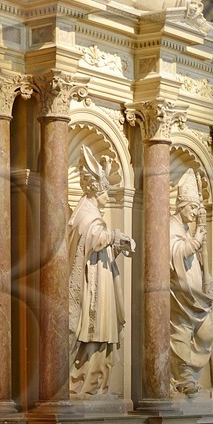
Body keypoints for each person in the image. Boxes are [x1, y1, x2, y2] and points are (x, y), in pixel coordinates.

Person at [66, 147, 135, 397]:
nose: (108, 197)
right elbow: (92, 238)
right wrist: (115, 236)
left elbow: (99, 248)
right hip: (92, 288)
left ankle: (96, 384)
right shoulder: (86, 212)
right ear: (97, 191)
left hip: (101, 282)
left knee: (104, 334)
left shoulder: (94, 213)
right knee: (92, 332)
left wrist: (117, 245)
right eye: (106, 192)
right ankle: (83, 383)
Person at [169, 169, 213, 395]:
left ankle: (191, 372)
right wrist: (197, 241)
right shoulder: (172, 225)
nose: (195, 213)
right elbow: (175, 252)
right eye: (192, 207)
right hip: (180, 293)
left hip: (196, 292)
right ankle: (183, 375)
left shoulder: (189, 230)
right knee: (181, 331)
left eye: (198, 208)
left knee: (206, 332)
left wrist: (208, 281)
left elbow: (199, 260)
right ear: (181, 206)